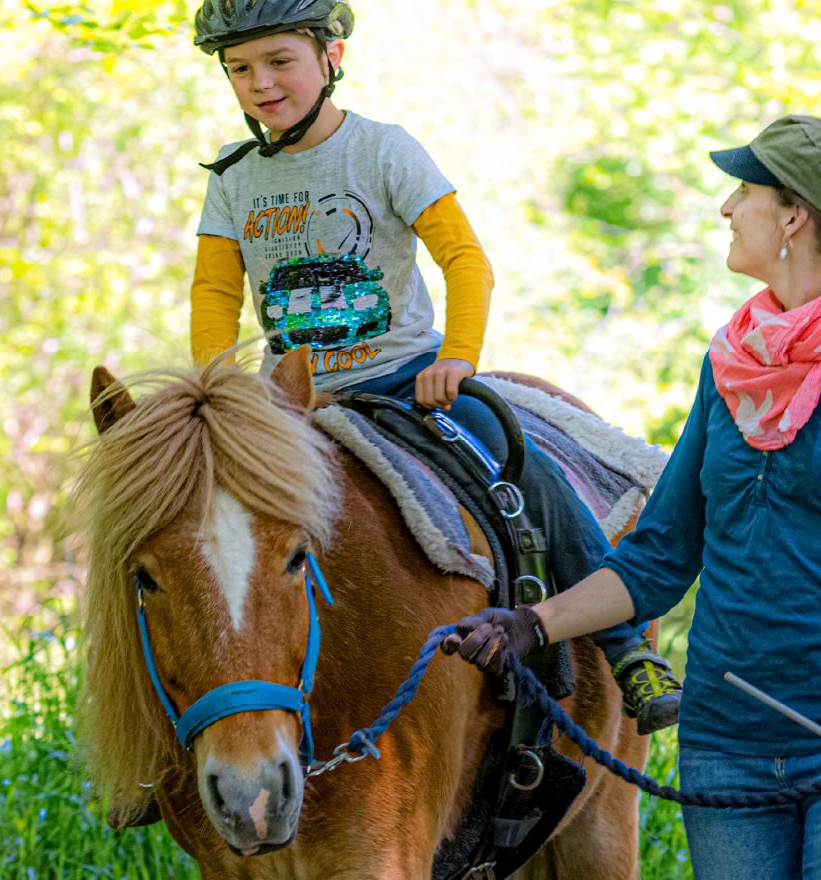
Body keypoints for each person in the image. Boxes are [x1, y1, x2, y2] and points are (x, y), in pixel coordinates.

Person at [446, 116, 821, 878]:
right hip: (724, 744)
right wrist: (530, 624)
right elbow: (660, 556)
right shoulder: (728, 366)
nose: (726, 208)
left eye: (743, 190)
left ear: (793, 216)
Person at [185, 0, 680, 730]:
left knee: (523, 470)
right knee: (180, 524)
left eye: (278, 60)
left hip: (403, 382)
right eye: (240, 68)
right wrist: (222, 393)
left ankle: (623, 644)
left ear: (331, 58)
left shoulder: (384, 150)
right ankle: (167, 733)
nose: (260, 83)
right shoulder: (232, 178)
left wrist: (456, 358)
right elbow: (215, 294)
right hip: (288, 405)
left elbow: (465, 262)